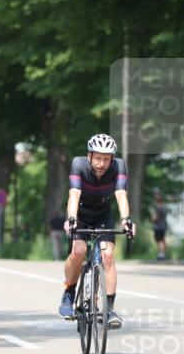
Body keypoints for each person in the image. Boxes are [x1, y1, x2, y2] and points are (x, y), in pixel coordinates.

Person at [57, 133, 135, 329]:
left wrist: (126, 220)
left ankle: (109, 310)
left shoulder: (118, 167)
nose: (102, 163)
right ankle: (69, 292)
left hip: (102, 217)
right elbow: (74, 194)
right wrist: (71, 218)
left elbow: (121, 194)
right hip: (80, 215)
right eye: (98, 158)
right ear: (89, 155)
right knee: (79, 251)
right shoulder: (78, 164)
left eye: (106, 159)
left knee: (108, 256)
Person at [152, 191, 168, 261]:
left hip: (158, 226)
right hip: (163, 225)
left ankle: (161, 254)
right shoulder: (164, 206)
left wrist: (153, 218)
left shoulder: (158, 207)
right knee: (163, 240)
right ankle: (163, 254)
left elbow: (156, 217)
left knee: (159, 240)